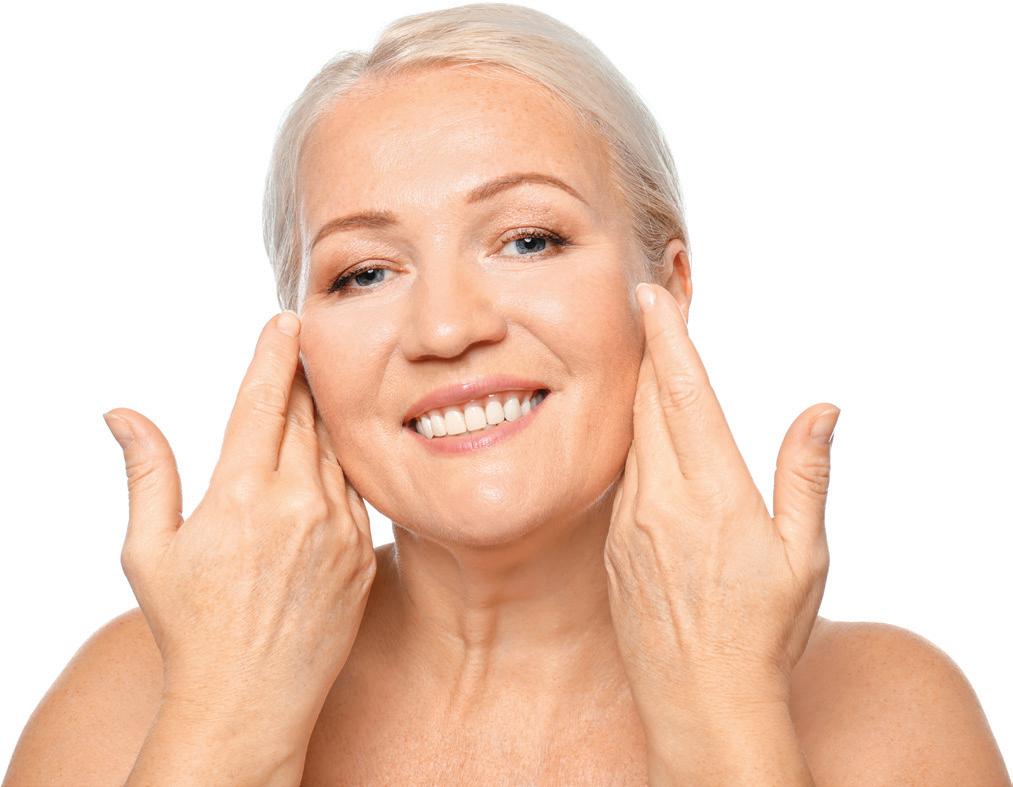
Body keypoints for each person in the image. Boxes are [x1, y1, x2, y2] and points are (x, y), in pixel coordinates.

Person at [4, 4, 1009, 785]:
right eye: (364, 272)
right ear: (298, 343)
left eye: (528, 240)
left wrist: (723, 716)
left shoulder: (887, 717)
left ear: (666, 288)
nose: (446, 328)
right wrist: (225, 724)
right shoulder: (139, 698)